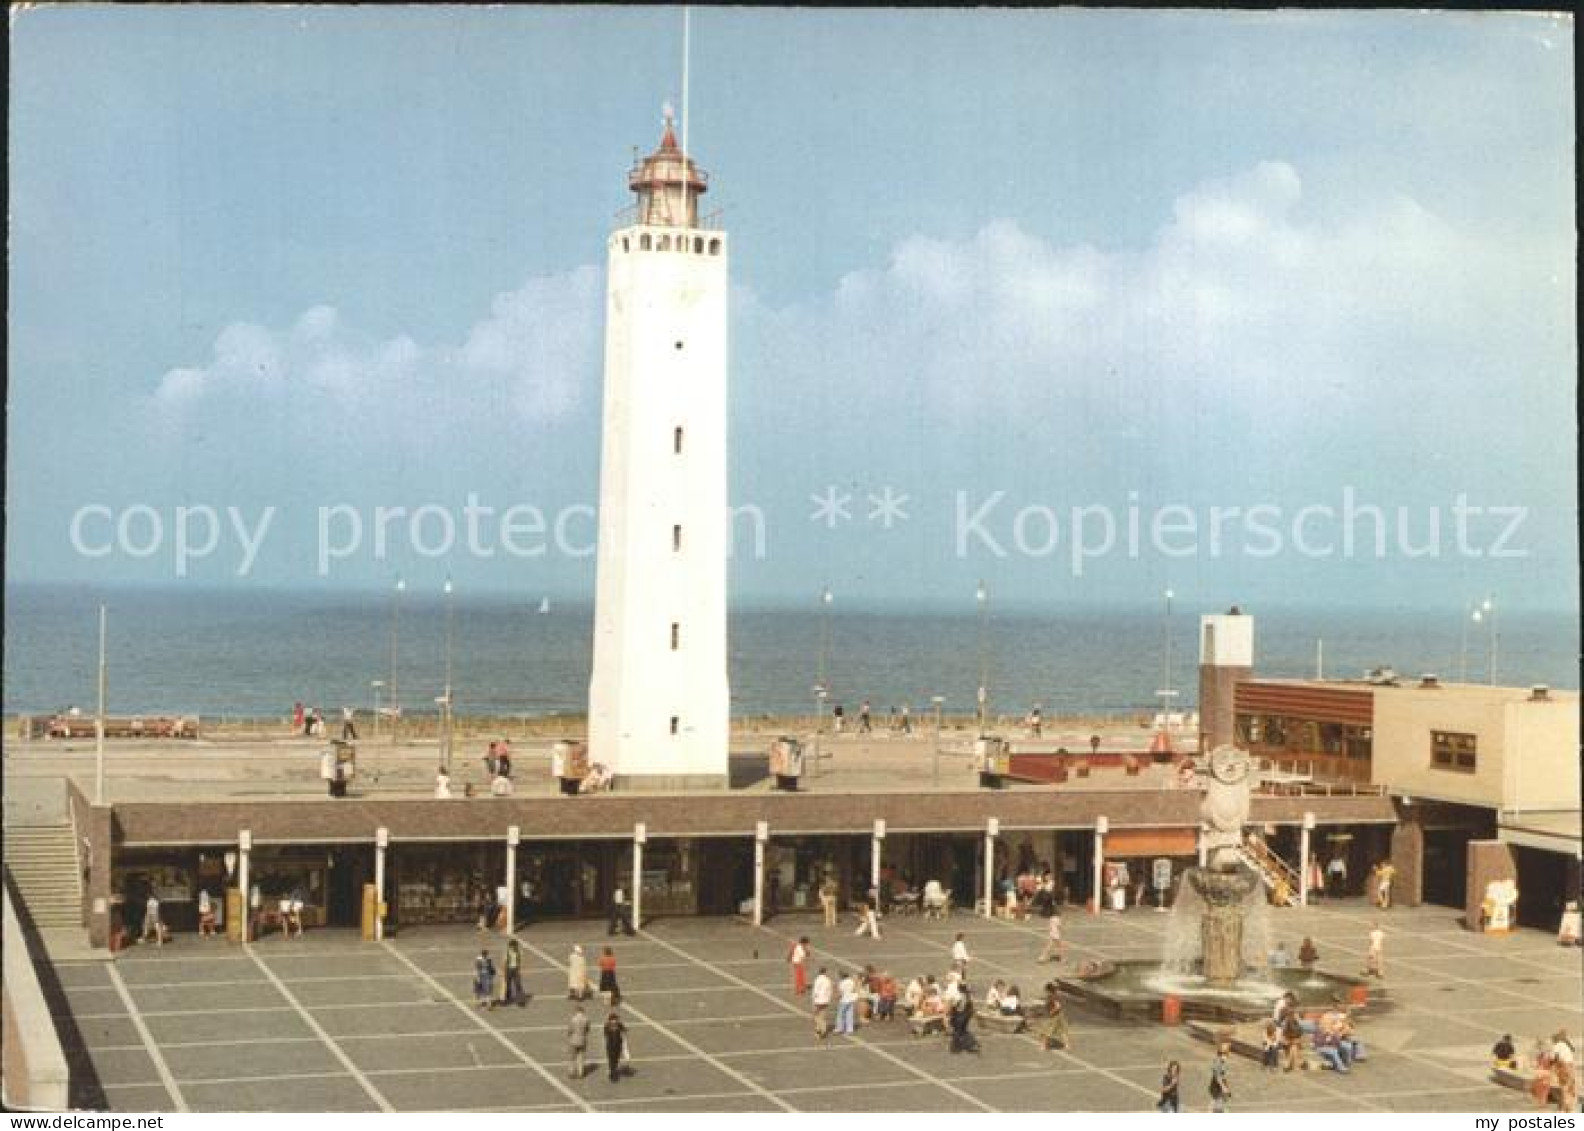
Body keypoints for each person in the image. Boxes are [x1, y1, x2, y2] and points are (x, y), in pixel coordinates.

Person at [947, 987, 978, 1054]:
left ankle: (957, 1047)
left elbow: (953, 1007)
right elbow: (972, 1007)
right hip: (965, 1015)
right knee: (962, 1031)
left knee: (959, 1031)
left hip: (960, 1015)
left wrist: (950, 1015)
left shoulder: (958, 996)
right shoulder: (968, 996)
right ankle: (968, 1045)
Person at [1040, 985, 1070, 1050]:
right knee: (1062, 1030)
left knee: (1047, 1031)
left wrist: (1051, 1012)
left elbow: (1058, 1006)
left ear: (1049, 990)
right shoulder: (1056, 996)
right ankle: (1067, 1045)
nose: (1045, 992)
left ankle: (1044, 1046)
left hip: (1054, 1017)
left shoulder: (1052, 997)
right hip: (1060, 1015)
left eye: (1046, 990)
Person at [602, 1011, 628, 1083]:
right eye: (613, 1020)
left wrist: (623, 1030)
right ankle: (613, 1075)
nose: (614, 1021)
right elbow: (605, 1034)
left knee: (616, 1059)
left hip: (618, 1045)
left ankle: (614, 1071)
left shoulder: (619, 1025)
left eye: (615, 1019)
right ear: (610, 1020)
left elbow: (625, 1029)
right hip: (610, 1046)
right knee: (611, 1060)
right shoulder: (607, 1026)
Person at [566, 1005, 589, 1080]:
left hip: (574, 1040)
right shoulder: (586, 1019)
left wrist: (569, 1035)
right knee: (581, 1057)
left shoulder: (573, 1019)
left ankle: (572, 1072)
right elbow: (587, 1029)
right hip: (583, 1039)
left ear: (577, 1011)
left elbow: (570, 1030)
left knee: (572, 1057)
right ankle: (580, 1073)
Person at [810, 967, 834, 1038]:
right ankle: (820, 1029)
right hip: (826, 1000)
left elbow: (815, 990)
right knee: (822, 1015)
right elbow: (830, 990)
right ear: (825, 972)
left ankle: (820, 1030)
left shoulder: (818, 979)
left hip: (818, 999)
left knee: (816, 1015)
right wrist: (829, 998)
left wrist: (813, 998)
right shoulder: (828, 980)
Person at [502, 938, 526, 1007]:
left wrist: (520, 969)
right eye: (512, 946)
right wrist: (504, 972)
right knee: (508, 985)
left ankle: (520, 1001)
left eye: (515, 946)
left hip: (516, 969)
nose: (514, 947)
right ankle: (506, 999)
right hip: (508, 969)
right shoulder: (507, 952)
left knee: (518, 985)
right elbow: (505, 962)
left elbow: (520, 961)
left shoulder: (519, 952)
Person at [1209, 1044, 1232, 1111]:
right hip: (1216, 1088)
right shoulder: (1218, 1061)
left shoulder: (1223, 1061)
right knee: (1217, 1108)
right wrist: (1224, 1088)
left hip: (1219, 1089)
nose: (1226, 1054)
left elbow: (1223, 1076)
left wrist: (1227, 1087)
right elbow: (1217, 1076)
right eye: (1224, 1052)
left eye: (1227, 1051)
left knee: (1219, 1108)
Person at [835, 971, 859, 1035]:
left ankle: (840, 1028)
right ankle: (850, 1029)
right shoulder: (851, 981)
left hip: (844, 1000)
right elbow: (855, 989)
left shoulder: (842, 983)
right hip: (851, 1000)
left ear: (841, 976)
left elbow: (840, 993)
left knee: (840, 1015)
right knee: (849, 1015)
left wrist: (837, 998)